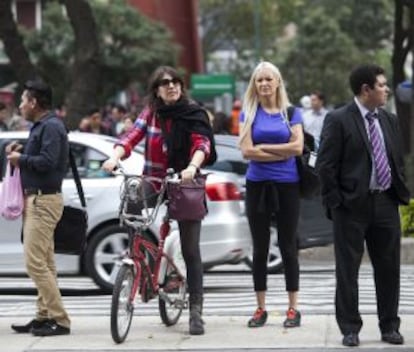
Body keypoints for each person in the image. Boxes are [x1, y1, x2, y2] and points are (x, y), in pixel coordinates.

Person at [102, 66, 216, 336]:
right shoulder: (151, 113)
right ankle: (140, 263)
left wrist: (192, 167)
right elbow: (130, 137)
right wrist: (114, 157)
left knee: (190, 249)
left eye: (176, 82)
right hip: (154, 179)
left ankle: (196, 312)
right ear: (156, 90)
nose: (171, 86)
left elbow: (203, 144)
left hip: (184, 181)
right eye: (165, 83)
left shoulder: (193, 113)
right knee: (131, 198)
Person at [316, 64, 410, 347]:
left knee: (389, 268)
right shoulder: (338, 119)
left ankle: (389, 326)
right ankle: (350, 328)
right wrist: (336, 202)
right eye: (381, 85)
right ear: (365, 90)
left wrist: (398, 190)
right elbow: (325, 166)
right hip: (351, 207)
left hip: (385, 203)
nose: (386, 90)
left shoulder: (390, 120)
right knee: (348, 270)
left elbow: (397, 160)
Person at [239, 61, 304, 329]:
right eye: (258, 80)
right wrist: (281, 149)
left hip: (288, 185)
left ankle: (293, 309)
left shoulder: (291, 112)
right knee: (260, 248)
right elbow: (247, 151)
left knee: (288, 246)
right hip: (257, 186)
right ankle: (260, 308)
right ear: (254, 85)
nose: (263, 84)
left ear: (277, 82)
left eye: (268, 79)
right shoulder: (248, 113)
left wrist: (263, 146)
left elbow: (298, 148)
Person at [7, 79, 71, 336]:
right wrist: (21, 152)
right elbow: (43, 157)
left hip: (43, 201)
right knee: (45, 262)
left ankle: (60, 319)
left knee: (34, 264)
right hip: (37, 199)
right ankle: (43, 316)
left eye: (23, 100)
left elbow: (47, 162)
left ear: (34, 103)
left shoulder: (52, 127)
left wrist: (20, 159)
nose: (21, 106)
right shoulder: (42, 127)